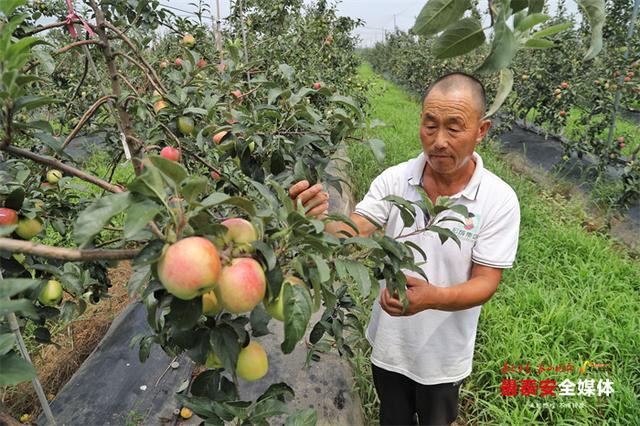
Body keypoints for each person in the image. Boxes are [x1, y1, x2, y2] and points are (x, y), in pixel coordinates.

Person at [289, 72, 520, 425]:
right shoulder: (397, 180)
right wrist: (312, 222)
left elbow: (486, 282)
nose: (439, 140)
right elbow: (352, 232)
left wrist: (431, 298)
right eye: (430, 125)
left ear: (481, 130)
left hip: (443, 357)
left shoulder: (498, 199)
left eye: (454, 127)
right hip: (390, 345)